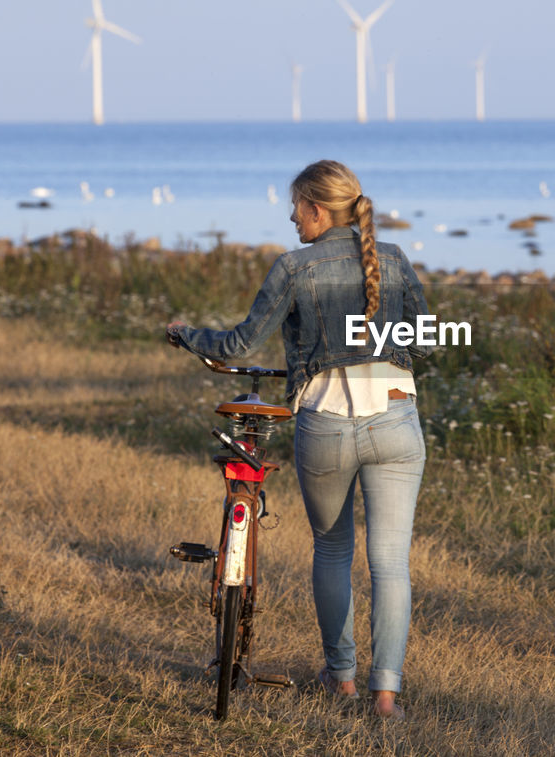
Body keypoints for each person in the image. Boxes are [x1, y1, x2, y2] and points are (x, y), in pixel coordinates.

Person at [167, 160, 431, 719]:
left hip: (327, 423)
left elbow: (239, 343)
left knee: (333, 550)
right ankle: (387, 695)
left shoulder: (293, 267)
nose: (290, 217)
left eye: (295, 207)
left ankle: (341, 678)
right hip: (397, 420)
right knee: (391, 564)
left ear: (316, 208)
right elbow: (426, 340)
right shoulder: (397, 260)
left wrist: (185, 334)